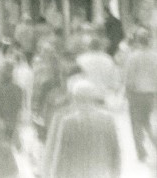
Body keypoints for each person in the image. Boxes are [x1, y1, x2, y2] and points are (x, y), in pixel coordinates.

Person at [43, 78, 121, 178]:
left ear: (75, 98)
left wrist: (54, 175)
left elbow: (60, 155)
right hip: (100, 172)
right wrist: (116, 173)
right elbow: (115, 151)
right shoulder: (108, 120)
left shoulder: (68, 122)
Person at [122, 27, 157, 162]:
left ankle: (141, 152)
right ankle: (154, 142)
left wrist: (126, 93)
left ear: (137, 41)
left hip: (136, 94)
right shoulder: (154, 56)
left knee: (136, 123)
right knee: (147, 120)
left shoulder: (133, 57)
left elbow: (129, 78)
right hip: (150, 94)